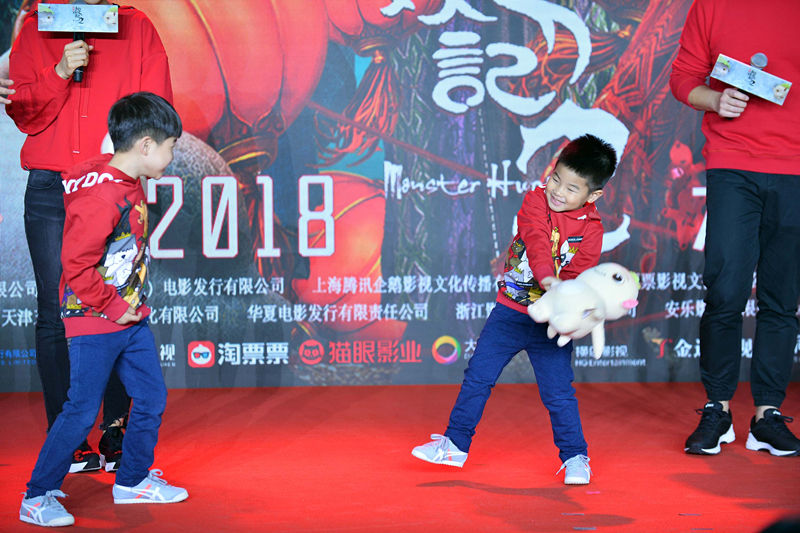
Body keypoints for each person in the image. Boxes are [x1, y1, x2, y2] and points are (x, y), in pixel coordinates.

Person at [5, 0, 173, 472]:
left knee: (115, 300)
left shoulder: (136, 26)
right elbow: (24, 113)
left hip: (112, 185)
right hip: (51, 187)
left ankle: (115, 430)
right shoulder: (37, 26)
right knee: (54, 307)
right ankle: (68, 434)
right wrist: (60, 71)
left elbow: (156, 112)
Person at [19, 91, 187, 528]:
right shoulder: (101, 197)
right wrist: (113, 305)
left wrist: (126, 307)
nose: (172, 157)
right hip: (94, 319)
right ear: (146, 145)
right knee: (80, 410)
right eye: (170, 147)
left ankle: (132, 480)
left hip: (129, 318)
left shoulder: (125, 180)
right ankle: (36, 496)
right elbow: (75, 265)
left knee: (150, 397)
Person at [412, 134, 618, 484]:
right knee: (478, 377)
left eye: (571, 188)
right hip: (509, 313)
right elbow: (535, 239)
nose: (558, 192)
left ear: (592, 195)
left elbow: (580, 276)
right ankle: (455, 445)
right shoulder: (535, 200)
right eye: (556, 179)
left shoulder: (592, 231)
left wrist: (567, 304)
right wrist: (548, 279)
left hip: (550, 325)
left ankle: (575, 457)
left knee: (558, 394)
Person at [670, 0, 800, 457]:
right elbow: (683, 77)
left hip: (796, 167)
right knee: (725, 289)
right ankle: (717, 410)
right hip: (733, 163)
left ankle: (767, 415)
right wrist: (715, 99)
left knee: (782, 297)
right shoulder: (712, 5)